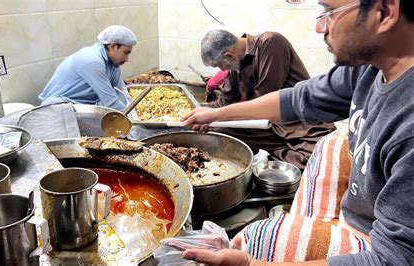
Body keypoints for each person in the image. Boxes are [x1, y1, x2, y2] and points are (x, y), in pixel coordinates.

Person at [182, 0, 413, 264]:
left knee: (255, 238)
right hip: (359, 208)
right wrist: (214, 115)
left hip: (371, 239)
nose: (318, 27)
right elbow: (299, 98)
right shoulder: (370, 69)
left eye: (329, 13)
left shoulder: (408, 124)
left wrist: (253, 264)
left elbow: (393, 259)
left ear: (385, 11)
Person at [199, 29, 335, 169]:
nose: (221, 70)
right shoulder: (236, 63)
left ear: (229, 55)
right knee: (218, 134)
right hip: (268, 123)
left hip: (299, 123)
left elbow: (263, 102)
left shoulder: (271, 43)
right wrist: (200, 113)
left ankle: (273, 156)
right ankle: (270, 155)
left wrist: (215, 116)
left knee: (316, 160)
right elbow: (225, 101)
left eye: (219, 65)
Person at [38, 25, 136, 110]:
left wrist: (137, 109)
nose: (127, 59)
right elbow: (111, 102)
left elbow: (122, 92)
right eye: (126, 52)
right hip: (58, 107)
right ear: (113, 46)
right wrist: (136, 121)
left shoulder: (112, 63)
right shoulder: (92, 60)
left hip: (81, 106)